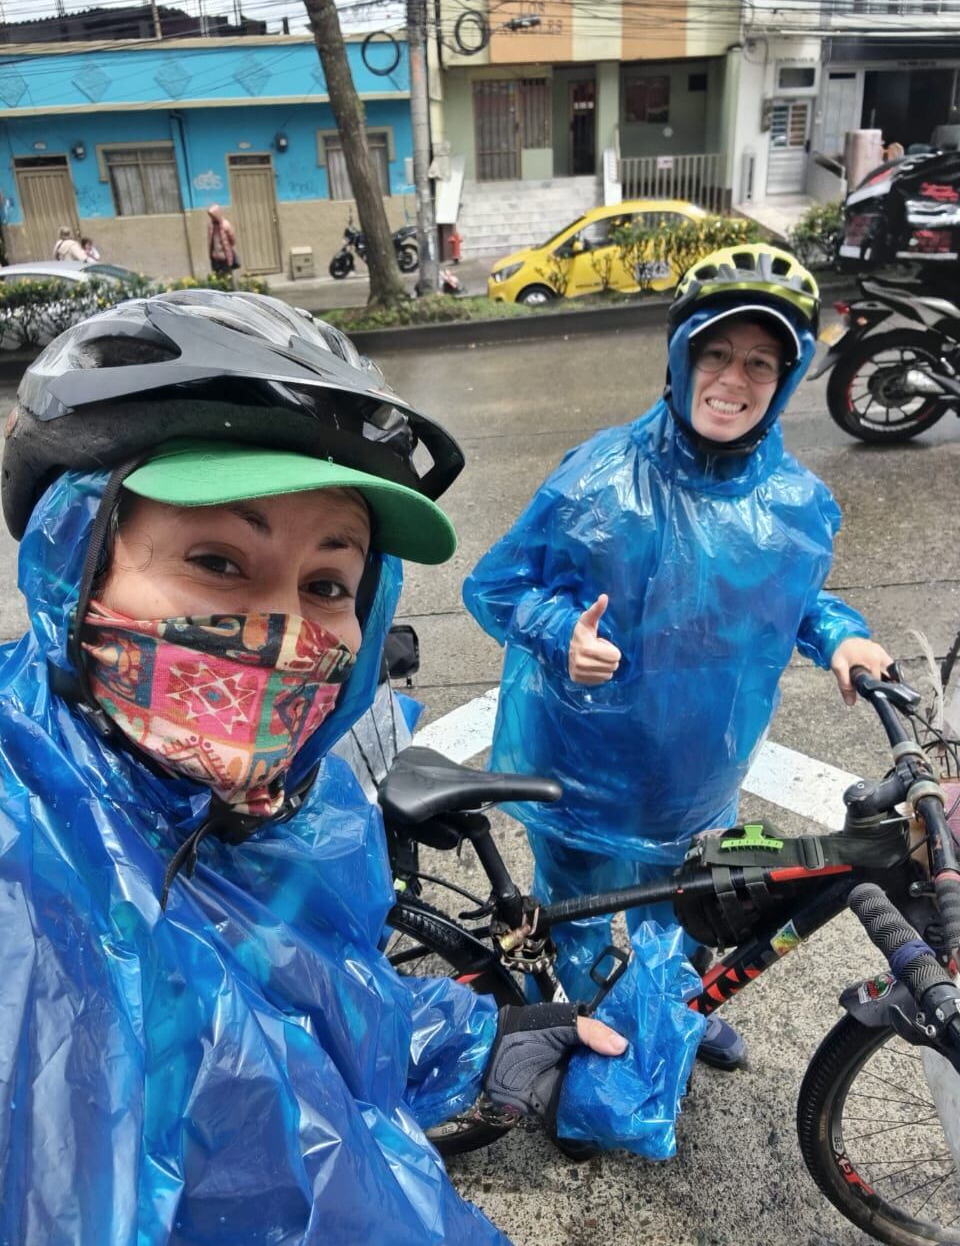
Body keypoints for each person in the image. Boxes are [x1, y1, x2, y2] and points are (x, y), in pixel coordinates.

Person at [0, 290, 625, 1243]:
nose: (288, 633)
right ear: (73, 561)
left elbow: (307, 1015)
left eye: (330, 582)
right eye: (217, 560)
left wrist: (470, 1037)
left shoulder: (288, 807)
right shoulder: (25, 864)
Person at [463, 244, 893, 1070]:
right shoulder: (598, 476)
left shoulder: (796, 504)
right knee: (583, 913)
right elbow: (495, 586)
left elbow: (795, 599)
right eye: (717, 353)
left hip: (695, 772)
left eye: (761, 363)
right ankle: (595, 1036)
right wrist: (562, 634)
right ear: (681, 354)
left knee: (693, 908)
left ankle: (675, 1015)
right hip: (582, 765)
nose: (734, 379)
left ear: (788, 379)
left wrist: (842, 636)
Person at [207, 202, 238, 275]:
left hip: (225, 257)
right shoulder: (211, 226)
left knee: (227, 277)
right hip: (215, 258)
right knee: (217, 278)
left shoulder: (226, 225)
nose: (212, 217)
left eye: (213, 215)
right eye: (211, 216)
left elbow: (233, 240)